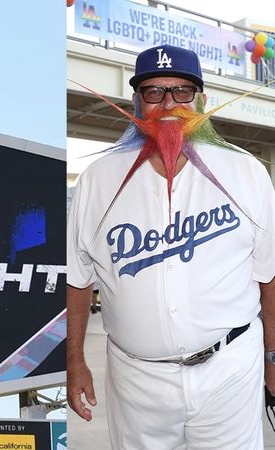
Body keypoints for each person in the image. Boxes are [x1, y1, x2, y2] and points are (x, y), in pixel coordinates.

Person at [67, 44, 275, 449]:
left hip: (230, 367)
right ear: (137, 102)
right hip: (136, 376)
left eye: (182, 91)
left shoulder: (246, 172)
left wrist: (273, 358)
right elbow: (77, 279)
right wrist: (74, 360)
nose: (169, 103)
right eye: (154, 91)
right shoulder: (98, 178)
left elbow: (270, 275)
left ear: (201, 100)